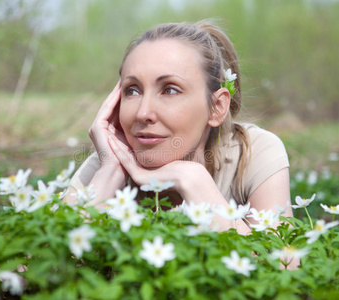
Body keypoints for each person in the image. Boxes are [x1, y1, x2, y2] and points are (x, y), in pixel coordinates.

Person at [65, 20, 293, 235]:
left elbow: (283, 270)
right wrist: (109, 175)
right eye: (133, 90)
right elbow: (36, 271)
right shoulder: (110, 159)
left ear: (216, 107)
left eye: (170, 90)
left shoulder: (255, 152)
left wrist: (194, 181)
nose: (143, 113)